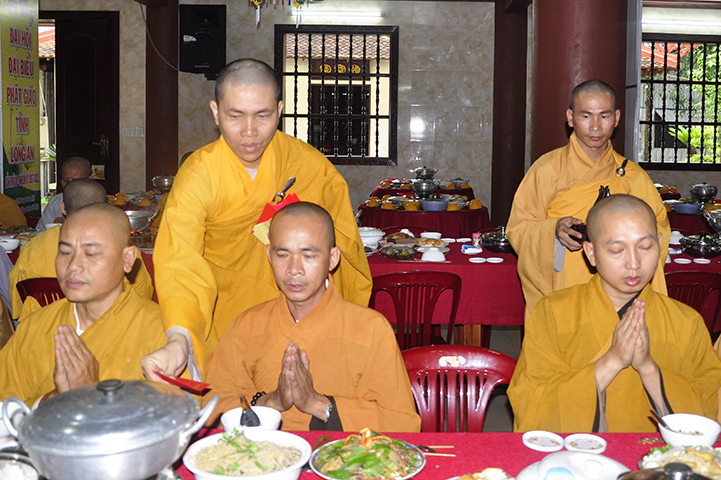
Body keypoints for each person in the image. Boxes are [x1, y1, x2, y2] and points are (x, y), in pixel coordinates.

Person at [143, 59, 372, 381]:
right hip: (224, 317)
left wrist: (331, 320)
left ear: (279, 110)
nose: (249, 131)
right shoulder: (199, 175)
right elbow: (180, 261)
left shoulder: (307, 165)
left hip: (300, 316)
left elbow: (342, 247)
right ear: (215, 112)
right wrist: (180, 337)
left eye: (262, 115)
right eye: (235, 115)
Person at [508, 195, 721, 433]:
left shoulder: (687, 322)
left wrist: (648, 368)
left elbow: (708, 408)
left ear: (659, 244)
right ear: (591, 253)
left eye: (645, 247)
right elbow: (529, 402)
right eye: (617, 250)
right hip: (577, 454)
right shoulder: (553, 312)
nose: (634, 263)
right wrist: (611, 361)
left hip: (658, 456)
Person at [204, 202, 420, 432]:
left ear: (333, 258)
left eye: (308, 255)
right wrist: (271, 402)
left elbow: (401, 424)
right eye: (282, 255)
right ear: (269, 255)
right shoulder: (245, 326)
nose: (294, 269)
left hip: (342, 453)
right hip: (262, 453)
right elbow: (212, 410)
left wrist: (316, 403)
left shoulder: (372, 329)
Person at [507, 80, 670, 319]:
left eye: (604, 116)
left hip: (620, 297)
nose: (595, 126)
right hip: (563, 290)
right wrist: (554, 230)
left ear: (616, 118)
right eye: (586, 116)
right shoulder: (546, 169)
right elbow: (518, 228)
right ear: (570, 118)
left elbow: (659, 232)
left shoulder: (633, 177)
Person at [0, 204, 166, 405]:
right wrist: (52, 399)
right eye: (65, 252)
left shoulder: (162, 333)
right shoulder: (34, 326)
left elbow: (180, 416)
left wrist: (94, 397)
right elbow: (4, 405)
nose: (73, 266)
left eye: (91, 253)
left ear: (127, 259)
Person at [8, 179, 154, 321]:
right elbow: (143, 294)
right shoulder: (120, 244)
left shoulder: (33, 247)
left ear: (63, 208)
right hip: (106, 328)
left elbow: (16, 305)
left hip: (43, 329)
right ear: (104, 208)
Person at [36, 156, 92, 231]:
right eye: (65, 180)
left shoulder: (98, 200)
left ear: (89, 179)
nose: (69, 184)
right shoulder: (55, 202)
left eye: (75, 181)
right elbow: (41, 231)